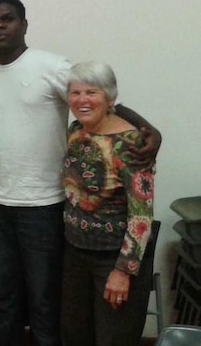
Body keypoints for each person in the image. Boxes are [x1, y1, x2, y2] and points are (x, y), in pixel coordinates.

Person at [0, 0, 160, 345]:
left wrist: (148, 130)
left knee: (46, 303)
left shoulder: (50, 66)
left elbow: (98, 97)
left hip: (44, 206)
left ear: (24, 25)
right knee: (0, 299)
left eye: (7, 19)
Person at [59, 61, 155, 345]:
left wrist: (122, 271)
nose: (82, 100)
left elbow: (142, 216)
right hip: (75, 253)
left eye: (92, 92)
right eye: (75, 93)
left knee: (113, 339)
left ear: (110, 98)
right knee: (74, 336)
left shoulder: (131, 143)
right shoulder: (76, 130)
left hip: (114, 260)